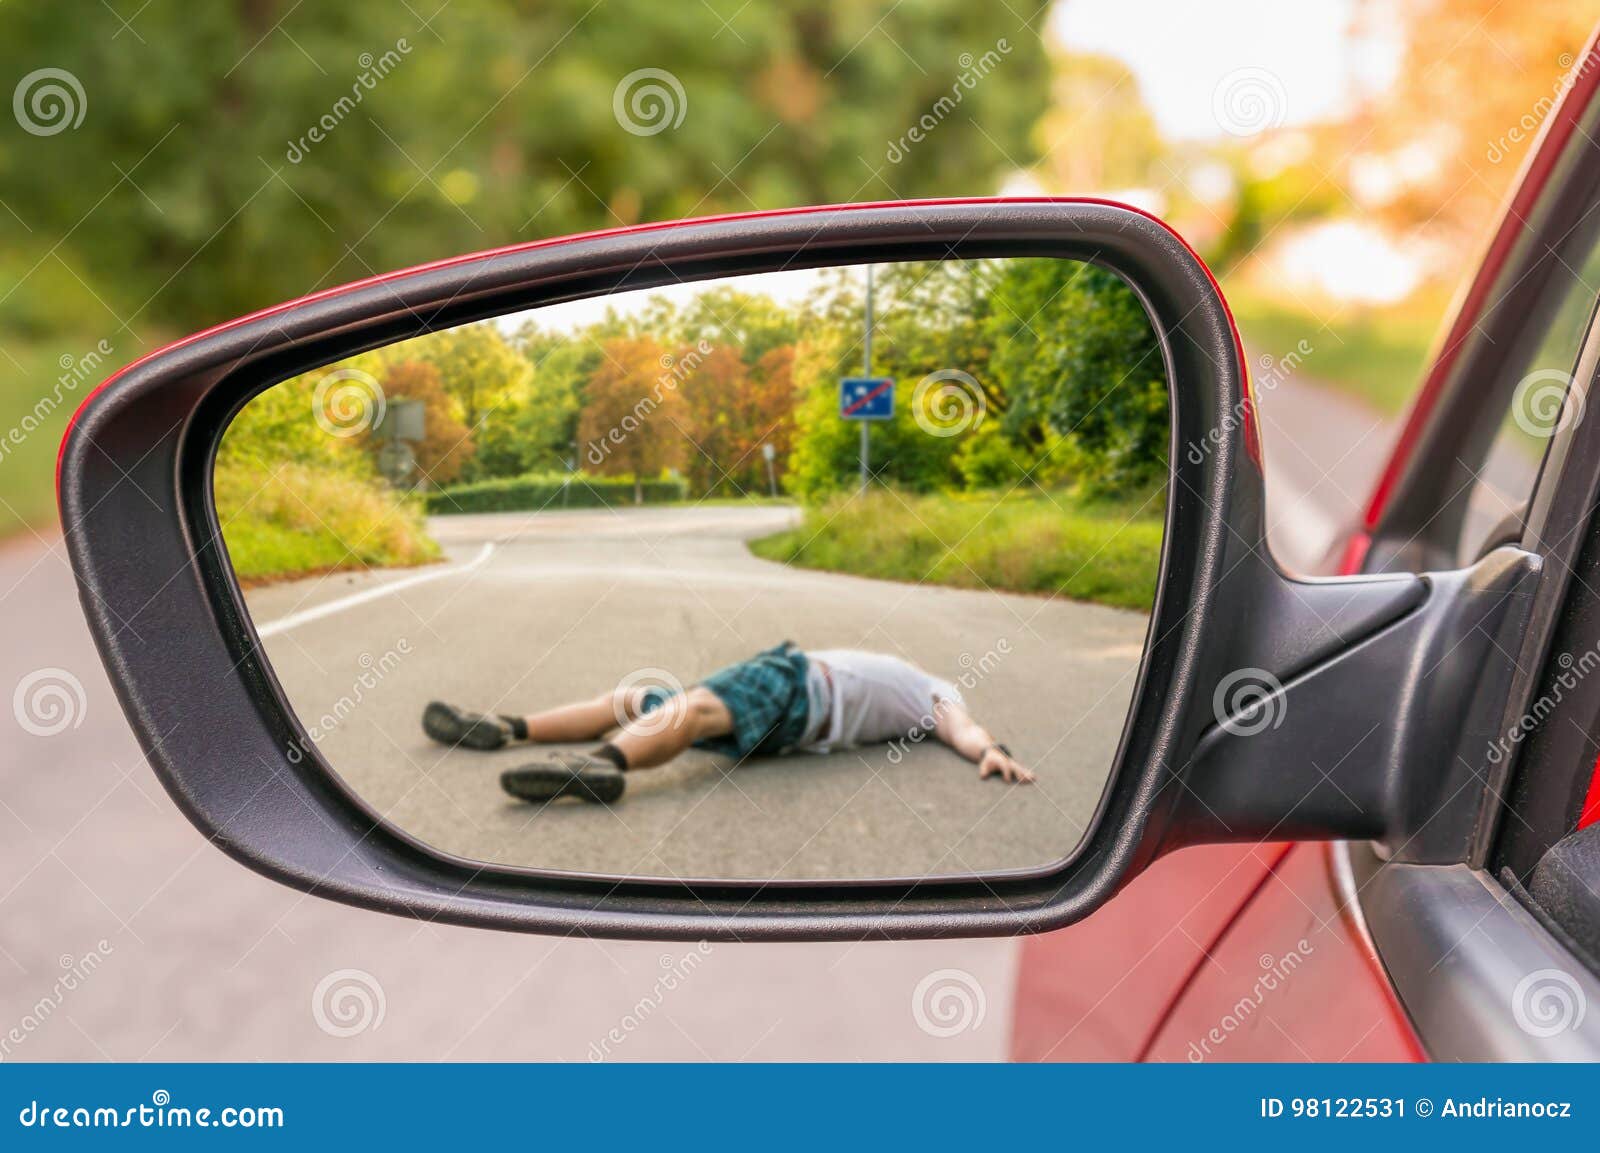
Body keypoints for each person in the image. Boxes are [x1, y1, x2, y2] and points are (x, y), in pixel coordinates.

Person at [421, 641, 1035, 804]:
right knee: (640, 701)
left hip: (797, 682)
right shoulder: (927, 695)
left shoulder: (938, 693)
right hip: (794, 721)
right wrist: (987, 748)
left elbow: (963, 729)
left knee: (691, 710)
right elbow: (960, 731)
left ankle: (599, 766)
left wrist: (992, 750)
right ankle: (507, 728)